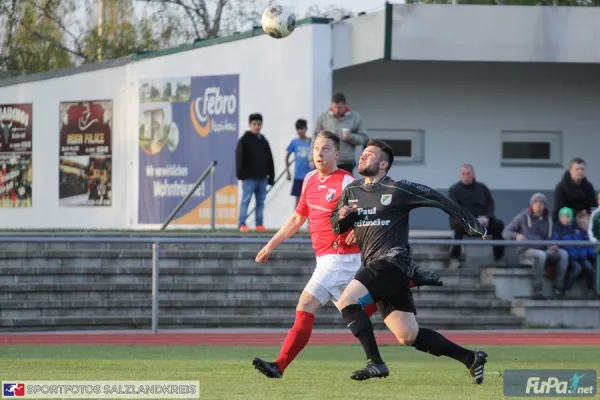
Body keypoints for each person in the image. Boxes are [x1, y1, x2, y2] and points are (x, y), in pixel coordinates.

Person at [251, 132, 441, 379]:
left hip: (339, 257)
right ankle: (405, 285)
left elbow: (372, 210)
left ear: (337, 155)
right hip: (328, 259)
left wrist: (357, 231)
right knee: (368, 316)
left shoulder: (346, 182)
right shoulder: (309, 179)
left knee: (306, 304)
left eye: (326, 148)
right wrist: (270, 245)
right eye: (316, 148)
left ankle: (279, 365)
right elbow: (299, 218)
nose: (319, 153)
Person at [330, 139, 488, 383]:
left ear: (383, 164)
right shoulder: (351, 192)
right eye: (362, 154)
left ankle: (376, 363)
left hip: (392, 262)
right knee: (407, 335)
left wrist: (470, 223)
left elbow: (437, 198)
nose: (362, 157)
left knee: (347, 301)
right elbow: (336, 226)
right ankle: (471, 358)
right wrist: (343, 218)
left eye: (369, 154)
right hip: (376, 266)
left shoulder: (398, 189)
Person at [448, 164, 505, 267]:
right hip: (465, 222)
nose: (465, 176)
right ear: (460, 175)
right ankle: (455, 258)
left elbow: (491, 205)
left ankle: (499, 258)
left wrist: (487, 218)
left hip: (483, 221)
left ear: (473, 174)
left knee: (498, 224)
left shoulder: (482, 188)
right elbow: (455, 210)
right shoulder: (454, 190)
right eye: (463, 174)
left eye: (468, 174)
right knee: (458, 226)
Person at [309, 92, 368, 174]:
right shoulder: (323, 118)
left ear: (345, 105)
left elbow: (363, 138)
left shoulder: (355, 117)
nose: (336, 110)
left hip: (346, 162)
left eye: (339, 107)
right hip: (327, 161)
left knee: (345, 186)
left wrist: (350, 137)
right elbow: (315, 139)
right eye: (334, 107)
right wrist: (312, 159)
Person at [235, 113, 275, 232]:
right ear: (250, 125)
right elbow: (239, 157)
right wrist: (241, 174)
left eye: (259, 124)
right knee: (246, 200)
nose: (257, 127)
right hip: (249, 178)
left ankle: (259, 224)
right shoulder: (244, 140)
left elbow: (269, 159)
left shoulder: (263, 140)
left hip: (262, 178)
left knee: (260, 202)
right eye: (254, 124)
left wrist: (271, 176)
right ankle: (242, 223)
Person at [285, 119, 312, 207]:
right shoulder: (294, 142)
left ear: (306, 129)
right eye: (298, 129)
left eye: (301, 129)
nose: (299, 131)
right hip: (298, 176)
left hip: (309, 176)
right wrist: (288, 172)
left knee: (310, 199)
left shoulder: (311, 142)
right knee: (298, 199)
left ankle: (310, 220)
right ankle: (296, 220)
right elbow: (287, 157)